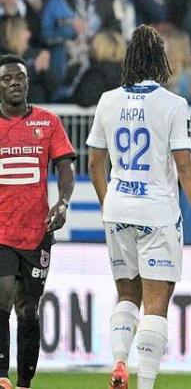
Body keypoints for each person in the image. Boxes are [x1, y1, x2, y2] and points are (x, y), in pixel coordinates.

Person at [86, 25, 191, 389]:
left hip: (118, 208)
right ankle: (145, 384)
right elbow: (185, 164)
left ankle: (120, 360)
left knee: (127, 294)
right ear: (161, 60)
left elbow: (94, 164)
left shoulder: (108, 100)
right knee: (156, 301)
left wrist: (109, 203)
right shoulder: (173, 104)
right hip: (156, 212)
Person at [0, 54, 75, 389]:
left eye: (20, 77)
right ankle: (1, 376)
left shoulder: (47, 122)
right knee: (1, 295)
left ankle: (25, 382)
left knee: (28, 308)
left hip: (37, 230)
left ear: (28, 82)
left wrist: (62, 202)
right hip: (1, 229)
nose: (14, 82)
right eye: (6, 78)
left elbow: (65, 167)